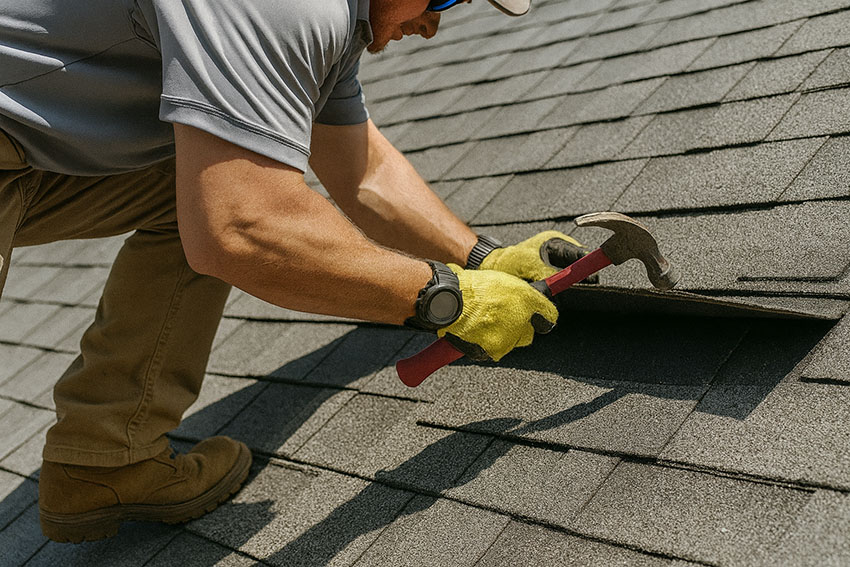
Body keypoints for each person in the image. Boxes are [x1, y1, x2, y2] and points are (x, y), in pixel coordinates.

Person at [0, 0, 586, 542]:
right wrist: (450, 299)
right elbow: (244, 229)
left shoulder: (337, 24)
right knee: (225, 193)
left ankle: (105, 459)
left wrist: (481, 258)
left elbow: (361, 172)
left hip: (28, 149)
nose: (434, 24)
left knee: (204, 174)